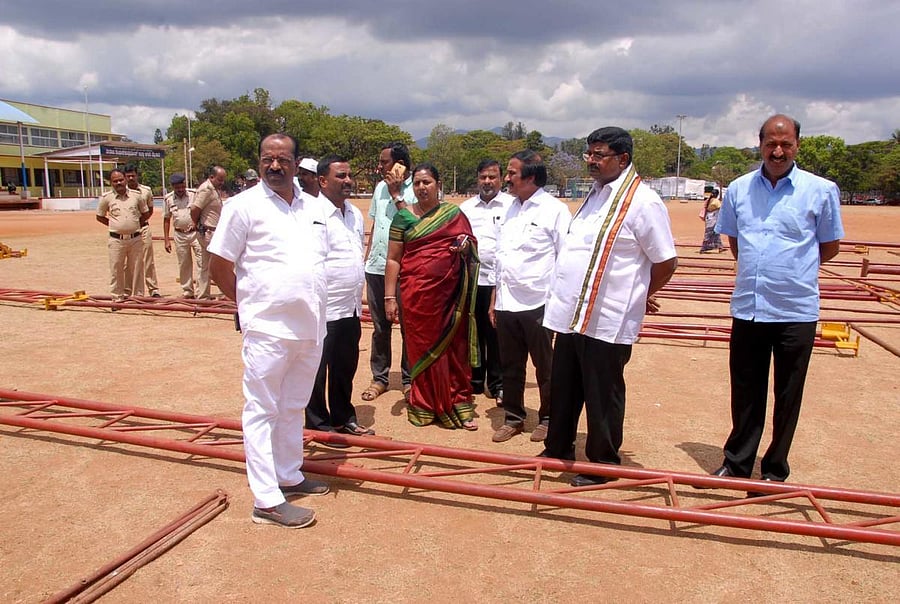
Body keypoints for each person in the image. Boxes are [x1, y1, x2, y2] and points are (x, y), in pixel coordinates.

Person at [709, 114, 844, 491]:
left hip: (795, 308)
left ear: (797, 144)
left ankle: (775, 467)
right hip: (749, 308)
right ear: (760, 144)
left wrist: (791, 269)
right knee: (746, 390)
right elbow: (735, 242)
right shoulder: (738, 189)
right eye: (771, 143)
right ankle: (737, 463)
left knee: (788, 393)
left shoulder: (820, 190)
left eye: (785, 143)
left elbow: (829, 246)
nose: (778, 151)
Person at [541, 127, 678, 486]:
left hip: (608, 316)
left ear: (623, 159)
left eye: (599, 155)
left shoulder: (643, 202)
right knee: (566, 385)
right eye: (589, 153)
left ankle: (602, 463)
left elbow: (665, 261)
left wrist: (643, 293)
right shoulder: (597, 193)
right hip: (574, 314)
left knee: (602, 392)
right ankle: (558, 447)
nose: (591, 161)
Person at [208, 133, 331, 529]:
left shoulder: (314, 208)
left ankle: (289, 474)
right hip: (268, 329)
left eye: (283, 159)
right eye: (267, 159)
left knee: (294, 405)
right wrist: (249, 308)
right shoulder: (242, 207)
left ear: (297, 164)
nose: (274, 166)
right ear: (259, 161)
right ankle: (266, 499)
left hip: (310, 328)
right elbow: (219, 266)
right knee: (262, 410)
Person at [384, 163, 479, 430]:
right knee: (420, 348)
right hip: (416, 297)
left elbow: (471, 246)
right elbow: (393, 260)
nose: (422, 187)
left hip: (449, 298)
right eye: (417, 183)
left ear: (438, 184)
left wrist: (464, 247)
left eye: (427, 182)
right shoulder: (402, 218)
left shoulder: (453, 214)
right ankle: (424, 404)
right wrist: (389, 297)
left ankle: (458, 402)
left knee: (453, 348)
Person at [491, 150, 570, 443]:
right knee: (510, 365)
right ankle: (513, 417)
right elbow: (502, 259)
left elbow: (565, 258)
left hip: (540, 303)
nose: (506, 178)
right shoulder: (509, 209)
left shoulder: (555, 210)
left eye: (512, 173)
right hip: (507, 302)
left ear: (531, 177)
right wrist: (494, 301)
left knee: (546, 366)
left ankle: (548, 418)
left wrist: (560, 303)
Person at [305, 155, 374, 442]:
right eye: (340, 176)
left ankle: (344, 417)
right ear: (322, 181)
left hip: (350, 307)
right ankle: (318, 424)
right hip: (322, 308)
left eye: (349, 176)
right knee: (317, 370)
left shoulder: (354, 214)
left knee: (345, 365)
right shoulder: (311, 213)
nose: (348, 181)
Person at [361, 142, 416, 402]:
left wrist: (397, 193)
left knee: (408, 326)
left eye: (384, 162)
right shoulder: (379, 188)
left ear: (400, 165)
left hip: (406, 270)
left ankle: (409, 378)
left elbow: (414, 224)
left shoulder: (418, 188)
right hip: (376, 268)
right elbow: (377, 226)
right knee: (380, 327)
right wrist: (367, 259)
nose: (379, 167)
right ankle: (380, 378)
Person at [460, 159, 513, 404]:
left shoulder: (512, 206)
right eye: (483, 177)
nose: (487, 182)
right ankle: (475, 380)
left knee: (497, 333)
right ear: (477, 179)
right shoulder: (466, 208)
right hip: (472, 280)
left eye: (492, 177)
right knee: (473, 331)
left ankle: (498, 383)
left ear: (501, 179)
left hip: (499, 282)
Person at [95, 169, 150, 302]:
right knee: (116, 269)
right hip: (116, 240)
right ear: (111, 183)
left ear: (125, 179)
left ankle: (138, 296)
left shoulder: (137, 196)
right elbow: (99, 216)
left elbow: (145, 213)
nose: (118, 183)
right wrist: (115, 224)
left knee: (137, 268)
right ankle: (117, 297)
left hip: (135, 238)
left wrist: (135, 224)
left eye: (121, 180)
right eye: (115, 181)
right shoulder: (106, 198)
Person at [162, 172, 202, 298]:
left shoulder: (194, 195)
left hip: (196, 233)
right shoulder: (168, 199)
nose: (180, 189)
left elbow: (201, 211)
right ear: (173, 187)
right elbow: (166, 219)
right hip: (179, 234)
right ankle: (188, 291)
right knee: (184, 263)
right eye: (177, 187)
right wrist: (167, 240)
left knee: (202, 262)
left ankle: (201, 291)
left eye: (181, 186)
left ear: (184, 184)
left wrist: (197, 223)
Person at [191, 165, 227, 299]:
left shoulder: (213, 189)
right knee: (215, 264)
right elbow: (195, 208)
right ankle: (205, 296)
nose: (222, 182)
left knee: (208, 265)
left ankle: (204, 295)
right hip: (208, 233)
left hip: (213, 232)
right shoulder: (206, 189)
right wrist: (195, 223)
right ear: (211, 177)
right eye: (220, 179)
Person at [124, 164, 160, 297]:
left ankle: (153, 289)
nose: (131, 178)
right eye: (128, 176)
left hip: (143, 227)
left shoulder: (146, 191)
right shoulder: (122, 192)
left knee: (148, 259)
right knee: (128, 262)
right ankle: (127, 290)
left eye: (133, 175)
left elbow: (150, 210)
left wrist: (140, 222)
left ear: (137, 175)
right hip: (128, 231)